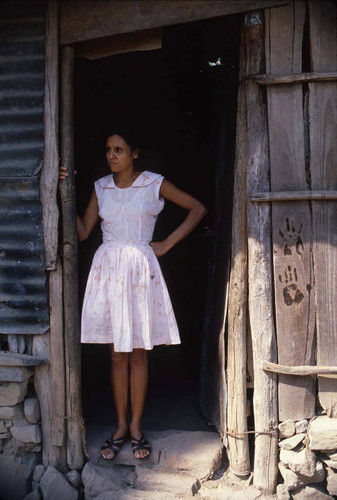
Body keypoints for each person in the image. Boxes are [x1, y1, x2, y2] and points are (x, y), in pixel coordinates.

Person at [59, 128, 207, 460]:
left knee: (139, 353)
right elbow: (83, 231)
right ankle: (121, 425)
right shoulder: (101, 188)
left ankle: (137, 426)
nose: (111, 155)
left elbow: (197, 208)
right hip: (109, 270)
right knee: (116, 354)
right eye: (109, 150)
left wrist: (168, 243)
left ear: (134, 153)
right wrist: (63, 189)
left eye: (119, 150)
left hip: (141, 269)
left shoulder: (153, 183)